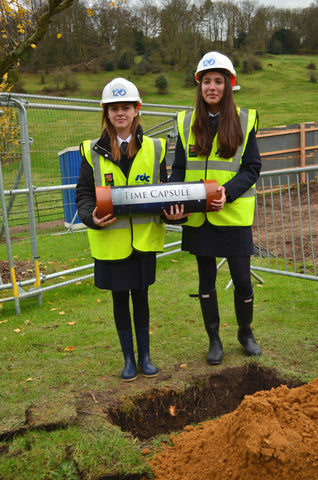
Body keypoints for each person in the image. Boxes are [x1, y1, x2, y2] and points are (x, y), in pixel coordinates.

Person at [164, 51, 262, 365]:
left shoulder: (245, 121)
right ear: (200, 86)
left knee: (243, 280)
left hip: (232, 216)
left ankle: (245, 332)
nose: (212, 87)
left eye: (218, 81)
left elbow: (252, 167)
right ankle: (214, 340)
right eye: (207, 81)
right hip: (197, 218)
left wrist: (227, 193)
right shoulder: (185, 122)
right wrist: (175, 201)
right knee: (205, 281)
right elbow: (177, 170)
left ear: (229, 85)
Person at [76, 78, 167, 381]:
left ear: (136, 110)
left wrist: (174, 213)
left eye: (125, 107)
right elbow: (84, 195)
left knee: (141, 297)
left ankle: (145, 357)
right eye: (114, 108)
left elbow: (165, 191)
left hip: (143, 241)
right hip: (111, 242)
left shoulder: (155, 148)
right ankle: (128, 360)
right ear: (106, 112)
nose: (120, 113)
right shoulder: (91, 151)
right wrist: (90, 216)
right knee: (119, 300)